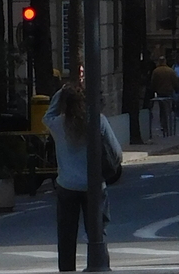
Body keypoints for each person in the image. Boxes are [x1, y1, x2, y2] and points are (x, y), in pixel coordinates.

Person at [44, 82, 123, 274]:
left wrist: (61, 91)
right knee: (97, 233)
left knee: (66, 235)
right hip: (94, 186)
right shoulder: (97, 121)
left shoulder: (58, 124)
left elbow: (47, 116)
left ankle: (67, 271)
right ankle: (100, 266)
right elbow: (117, 153)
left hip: (67, 185)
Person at [151, 57, 178, 141]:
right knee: (168, 108)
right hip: (169, 92)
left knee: (162, 109)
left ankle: (163, 124)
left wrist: (154, 90)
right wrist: (176, 89)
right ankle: (167, 125)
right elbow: (175, 82)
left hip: (160, 92)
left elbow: (153, 82)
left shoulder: (156, 71)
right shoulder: (170, 71)